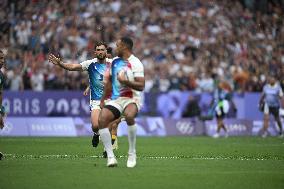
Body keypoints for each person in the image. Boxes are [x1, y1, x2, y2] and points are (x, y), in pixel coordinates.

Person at [48, 41, 112, 148]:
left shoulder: (113, 63)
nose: (100, 52)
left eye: (102, 49)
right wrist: (60, 63)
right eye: (98, 50)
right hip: (96, 101)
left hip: (110, 100)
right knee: (95, 126)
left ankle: (107, 149)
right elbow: (73, 67)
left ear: (106, 51)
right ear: (95, 52)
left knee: (108, 124)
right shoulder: (90, 64)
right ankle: (96, 134)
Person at [98, 37, 145, 167]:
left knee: (130, 116)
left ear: (124, 47)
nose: (115, 48)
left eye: (117, 45)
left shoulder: (136, 63)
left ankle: (132, 153)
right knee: (102, 120)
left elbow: (141, 86)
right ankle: (111, 157)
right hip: (116, 99)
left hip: (132, 98)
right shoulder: (114, 62)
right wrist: (103, 99)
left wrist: (126, 82)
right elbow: (109, 82)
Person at [0, 50, 7, 160]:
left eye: (3, 58)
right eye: (0, 58)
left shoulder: (1, 75)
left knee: (3, 110)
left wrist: (0, 111)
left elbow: (0, 93)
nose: (2, 61)